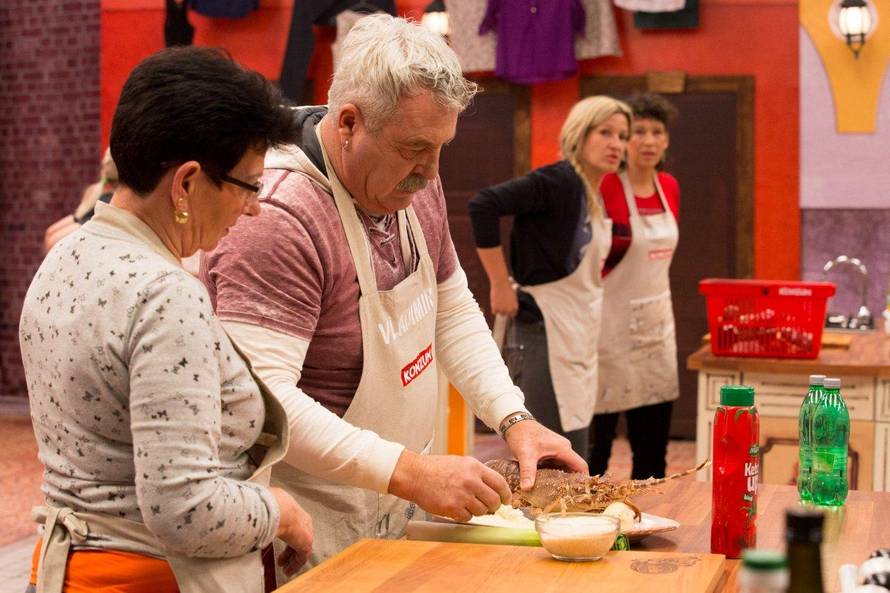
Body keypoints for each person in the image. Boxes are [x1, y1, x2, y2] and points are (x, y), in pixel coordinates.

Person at [201, 14, 585, 573]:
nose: (430, 173)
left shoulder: (410, 182)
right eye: (414, 148)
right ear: (349, 122)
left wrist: (513, 419)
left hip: (388, 504)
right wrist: (408, 470)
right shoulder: (279, 216)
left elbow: (450, 308)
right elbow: (263, 402)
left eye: (441, 146)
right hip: (305, 519)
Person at [20, 47, 313, 593]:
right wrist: (280, 511)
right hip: (153, 577)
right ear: (186, 183)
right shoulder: (165, 296)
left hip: (65, 572)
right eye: (249, 185)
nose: (254, 207)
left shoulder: (65, 256)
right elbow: (186, 508)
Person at [468, 96, 631, 457]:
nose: (617, 144)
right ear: (579, 134)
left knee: (574, 448)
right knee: (548, 455)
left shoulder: (592, 193)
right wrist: (499, 283)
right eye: (605, 133)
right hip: (542, 330)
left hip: (576, 334)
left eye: (622, 136)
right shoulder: (559, 180)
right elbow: (484, 205)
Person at [591, 92, 681, 479]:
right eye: (638, 132)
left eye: (656, 132)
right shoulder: (606, 186)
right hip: (606, 331)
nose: (647, 141)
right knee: (595, 452)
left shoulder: (670, 187)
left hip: (656, 331)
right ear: (625, 142)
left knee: (652, 454)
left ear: (667, 141)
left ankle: (649, 514)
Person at [43, 148, 118, 253]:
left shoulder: (107, 198)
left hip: (88, 228)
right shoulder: (99, 192)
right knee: (51, 236)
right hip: (86, 223)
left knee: (52, 239)